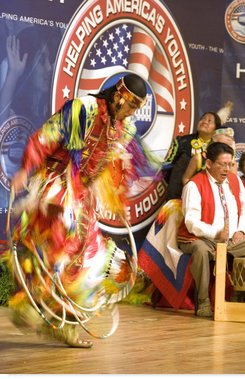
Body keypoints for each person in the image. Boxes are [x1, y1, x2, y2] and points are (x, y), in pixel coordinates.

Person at [5, 73, 158, 347]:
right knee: (57, 241)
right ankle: (29, 304)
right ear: (118, 96)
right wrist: (25, 169)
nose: (133, 113)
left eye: (136, 109)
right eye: (132, 106)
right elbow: (45, 138)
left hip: (83, 194)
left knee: (90, 259)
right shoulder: (83, 109)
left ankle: (67, 324)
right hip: (60, 183)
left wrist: (114, 197)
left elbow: (109, 166)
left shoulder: (123, 129)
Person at [177, 142, 245, 317]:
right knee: (201, 251)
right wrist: (216, 233)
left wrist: (240, 230)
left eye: (230, 164)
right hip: (200, 238)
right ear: (208, 163)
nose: (226, 169)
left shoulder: (235, 180)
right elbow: (191, 222)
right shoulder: (193, 185)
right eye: (222, 164)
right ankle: (203, 302)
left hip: (232, 239)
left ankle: (241, 296)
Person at [164, 111, 221, 199]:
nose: (204, 121)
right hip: (177, 195)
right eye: (203, 119)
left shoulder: (216, 150)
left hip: (203, 197)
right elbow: (167, 166)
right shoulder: (182, 141)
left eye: (209, 121)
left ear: (215, 129)